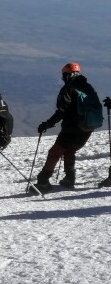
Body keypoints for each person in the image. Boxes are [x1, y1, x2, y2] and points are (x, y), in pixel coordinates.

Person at [35, 62, 103, 191]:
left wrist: (47, 124)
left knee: (54, 153)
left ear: (67, 75)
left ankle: (43, 182)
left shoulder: (68, 88)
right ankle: (69, 178)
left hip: (72, 128)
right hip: (87, 127)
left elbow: (62, 110)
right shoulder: (88, 87)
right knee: (70, 150)